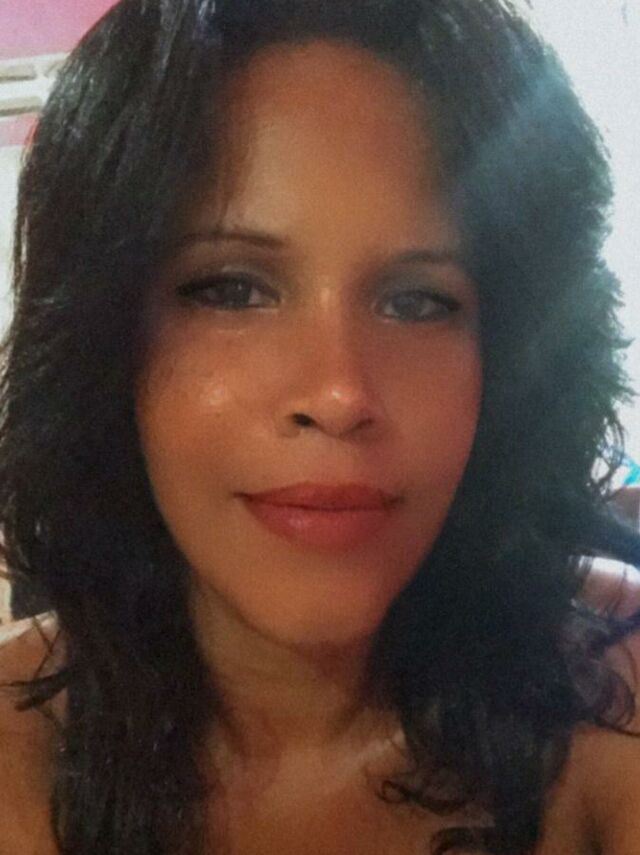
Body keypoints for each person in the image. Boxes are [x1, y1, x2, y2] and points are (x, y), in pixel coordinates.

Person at [0, 0, 639, 853]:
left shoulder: (613, 675)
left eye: (419, 301)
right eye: (232, 289)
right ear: (101, 337)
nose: (339, 392)